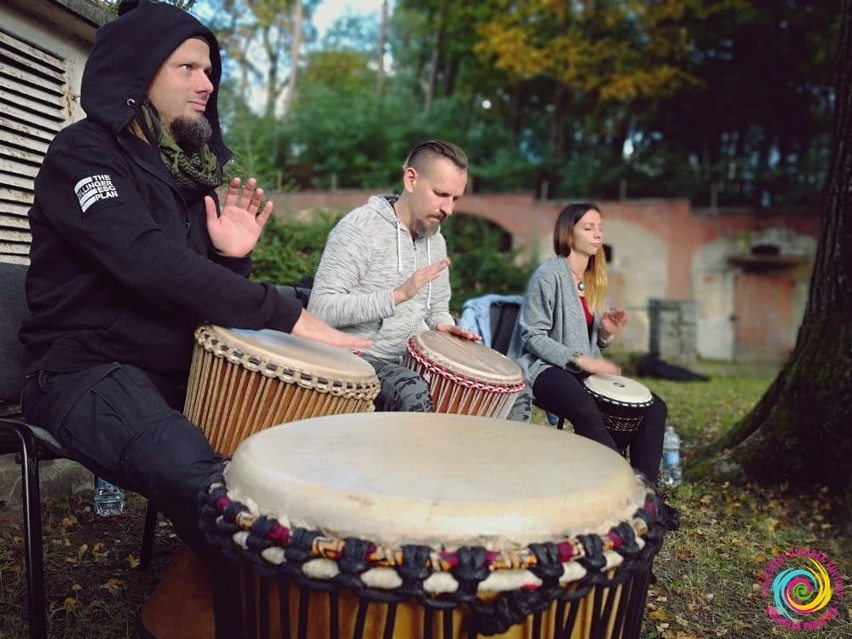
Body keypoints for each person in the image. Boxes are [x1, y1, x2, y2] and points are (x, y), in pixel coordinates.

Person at [17, 0, 369, 559]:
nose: (207, 83)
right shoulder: (82, 154)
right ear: (139, 74)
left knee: (285, 463)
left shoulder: (182, 175)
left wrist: (231, 258)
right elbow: (145, 260)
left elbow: (199, 297)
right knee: (207, 482)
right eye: (188, 68)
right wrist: (287, 314)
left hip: (173, 372)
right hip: (82, 370)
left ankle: (206, 599)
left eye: (210, 71)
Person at [307, 140, 531, 421]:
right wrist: (397, 296)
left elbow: (437, 308)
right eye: (441, 194)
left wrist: (446, 327)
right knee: (413, 390)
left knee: (516, 392)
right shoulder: (359, 229)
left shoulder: (436, 241)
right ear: (411, 179)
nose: (448, 209)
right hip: (360, 358)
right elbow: (320, 309)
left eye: (456, 199)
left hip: (418, 360)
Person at [508, 202, 666, 483]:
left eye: (600, 229)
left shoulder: (593, 281)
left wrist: (605, 333)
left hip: (580, 371)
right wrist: (579, 360)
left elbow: (593, 344)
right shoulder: (548, 276)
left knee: (655, 407)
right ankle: (622, 483)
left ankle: (648, 492)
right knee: (580, 402)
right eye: (588, 228)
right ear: (569, 234)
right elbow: (532, 336)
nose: (597, 235)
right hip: (541, 368)